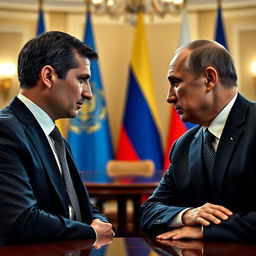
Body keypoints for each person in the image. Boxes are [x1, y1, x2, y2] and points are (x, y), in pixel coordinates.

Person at [0, 31, 114, 246]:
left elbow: (80, 205)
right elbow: (20, 220)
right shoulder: (5, 130)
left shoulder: (55, 137)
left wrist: (99, 221)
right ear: (49, 76)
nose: (88, 93)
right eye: (82, 80)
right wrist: (91, 233)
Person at [140, 39, 256, 243]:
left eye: (176, 83)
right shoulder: (183, 146)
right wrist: (186, 215)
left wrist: (207, 231)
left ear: (209, 79)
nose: (169, 97)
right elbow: (148, 212)